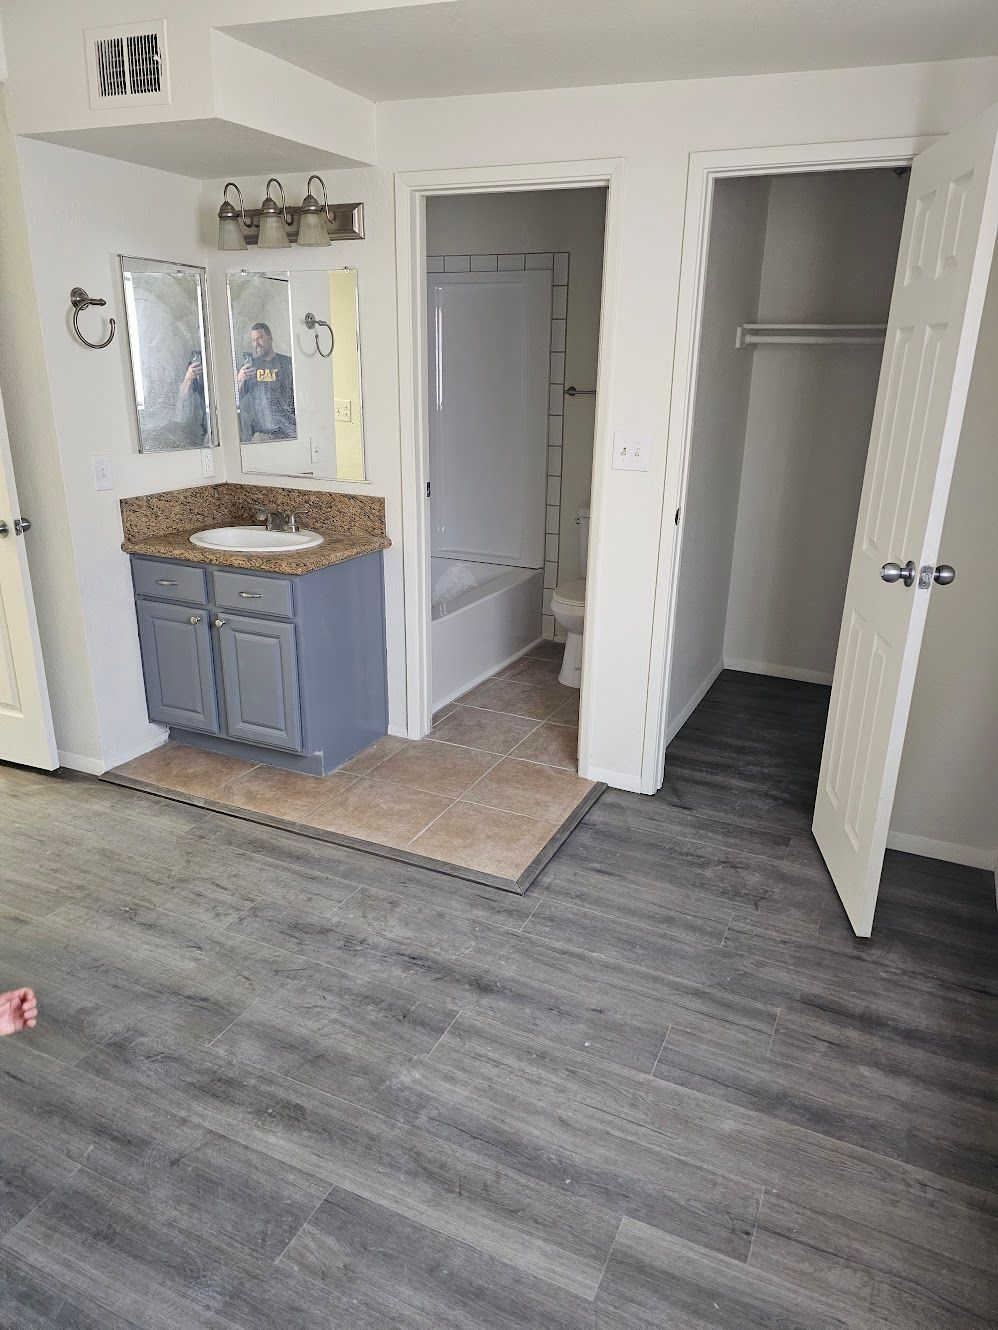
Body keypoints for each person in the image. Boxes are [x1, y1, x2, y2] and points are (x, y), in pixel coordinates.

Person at [236, 321, 296, 442]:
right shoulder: (250, 367)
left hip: (289, 432)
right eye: (253, 340)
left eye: (260, 338)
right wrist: (241, 379)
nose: (256, 343)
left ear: (270, 338)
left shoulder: (288, 363)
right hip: (261, 434)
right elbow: (236, 399)